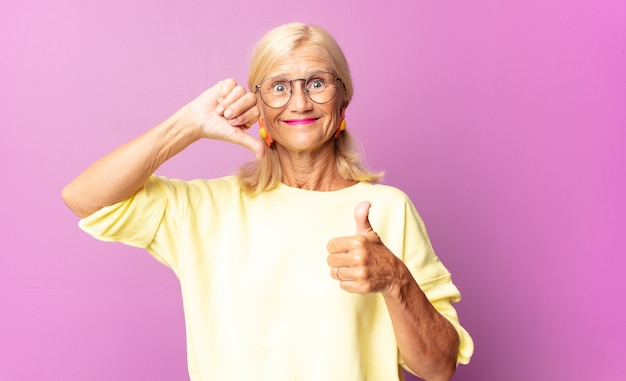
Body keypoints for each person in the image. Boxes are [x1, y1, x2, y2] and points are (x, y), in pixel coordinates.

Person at [62, 22, 473, 381]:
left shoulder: (387, 210)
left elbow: (438, 368)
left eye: (317, 82)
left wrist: (396, 279)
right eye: (278, 87)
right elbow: (84, 198)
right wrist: (188, 124)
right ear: (257, 107)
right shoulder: (208, 209)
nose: (299, 103)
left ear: (342, 98)